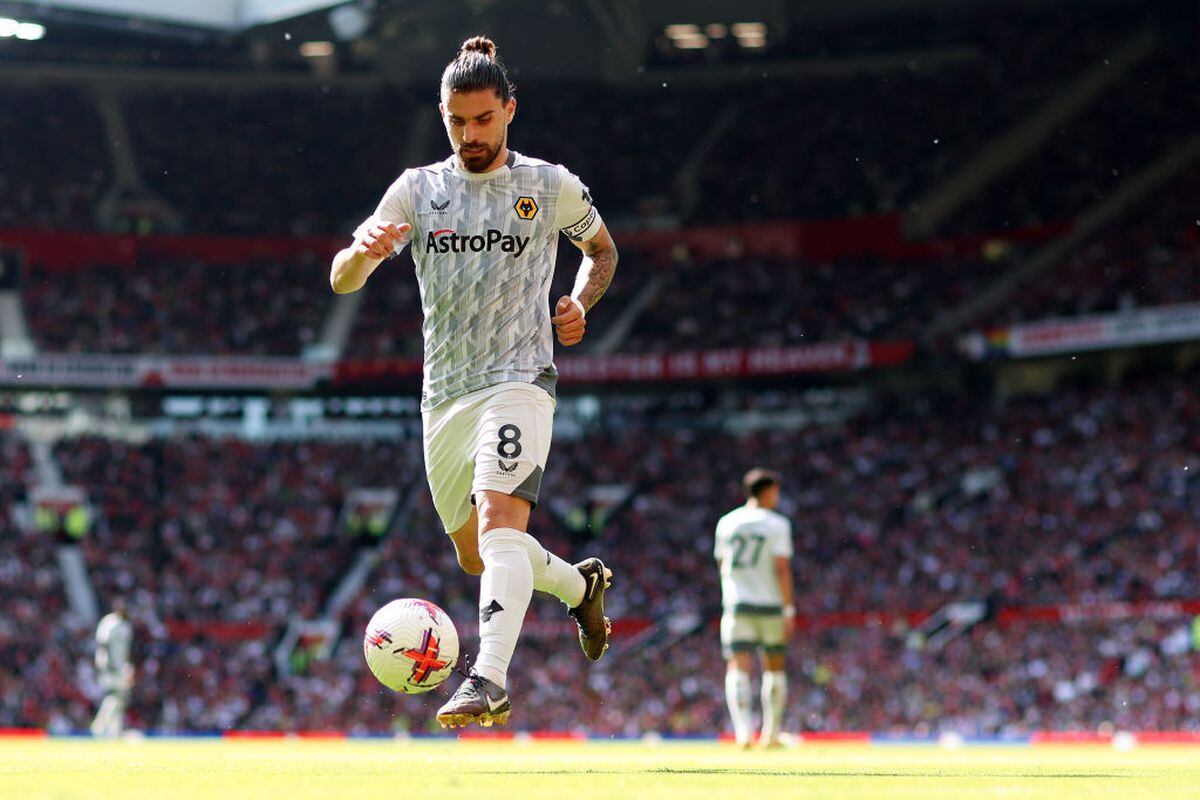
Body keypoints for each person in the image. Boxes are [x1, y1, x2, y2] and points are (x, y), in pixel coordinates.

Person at [330, 35, 619, 729]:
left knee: (499, 526)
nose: (470, 134)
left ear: (509, 110)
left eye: (484, 119)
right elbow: (340, 279)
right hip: (444, 397)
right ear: (442, 114)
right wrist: (362, 257)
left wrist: (581, 300)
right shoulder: (418, 190)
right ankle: (579, 586)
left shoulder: (549, 185)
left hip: (520, 378)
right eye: (457, 121)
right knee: (477, 556)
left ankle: (487, 677)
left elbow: (602, 251)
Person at [714, 469, 794, 748]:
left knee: (737, 665)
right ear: (768, 490)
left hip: (737, 604)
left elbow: (722, 564)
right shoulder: (777, 524)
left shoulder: (726, 522)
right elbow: (781, 568)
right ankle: (770, 735)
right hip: (770, 605)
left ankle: (743, 733)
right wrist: (789, 609)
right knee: (774, 666)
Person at [91, 598, 134, 738]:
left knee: (119, 698)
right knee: (115, 695)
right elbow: (103, 644)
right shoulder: (109, 623)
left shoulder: (126, 626)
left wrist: (127, 667)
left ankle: (113, 730)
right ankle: (100, 726)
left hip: (120, 666)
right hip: (109, 665)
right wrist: (106, 664)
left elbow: (126, 650)